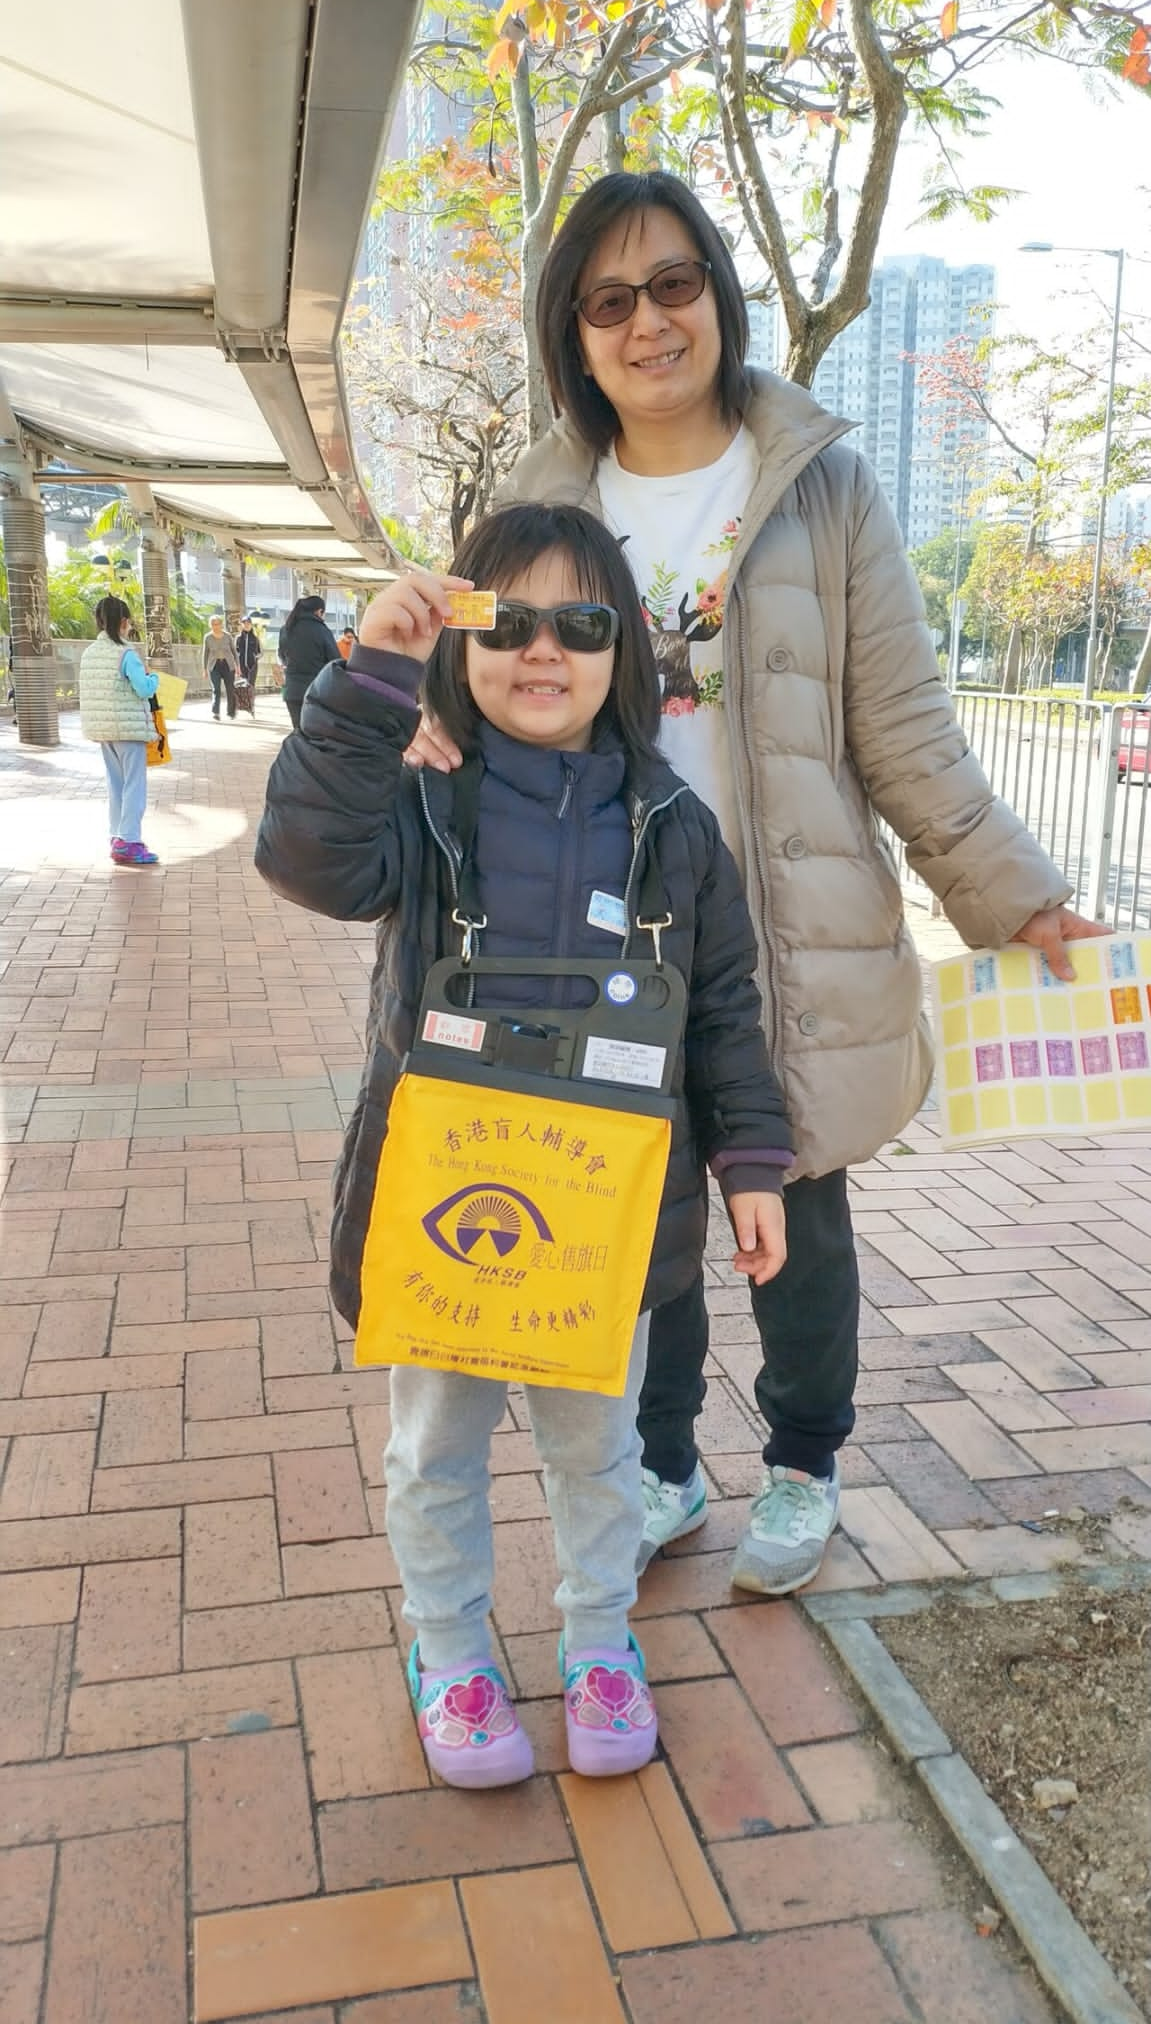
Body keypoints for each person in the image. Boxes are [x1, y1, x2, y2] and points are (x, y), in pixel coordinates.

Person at [380, 168, 1106, 1600]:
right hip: (586, 921)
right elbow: (466, 704)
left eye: (671, 285)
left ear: (714, 292)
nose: (647, 322)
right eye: (607, 300)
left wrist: (1009, 893)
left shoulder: (820, 482)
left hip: (785, 922)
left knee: (798, 1210)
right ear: (570, 333)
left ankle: (801, 1465)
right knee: (623, 1212)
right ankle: (657, 1468)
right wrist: (411, 722)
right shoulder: (538, 495)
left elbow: (898, 725)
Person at [255, 503, 792, 1788]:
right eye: (508, 620)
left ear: (626, 654)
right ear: (461, 641)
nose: (543, 649)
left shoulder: (675, 827)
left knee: (598, 1451)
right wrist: (370, 682)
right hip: (449, 1201)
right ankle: (448, 1650)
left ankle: (601, 1641)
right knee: (434, 1446)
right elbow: (305, 858)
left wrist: (752, 1163)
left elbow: (719, 1010)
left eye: (582, 621)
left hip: (603, 1224)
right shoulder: (423, 796)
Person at [78, 595, 160, 866]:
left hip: (104, 731)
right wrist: (154, 678)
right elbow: (144, 688)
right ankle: (130, 840)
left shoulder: (90, 652)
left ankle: (116, 836)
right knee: (134, 785)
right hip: (128, 729)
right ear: (123, 622)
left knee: (116, 784)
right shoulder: (126, 653)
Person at [278, 593, 341, 729]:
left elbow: (282, 656)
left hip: (292, 691)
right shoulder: (322, 630)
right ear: (319, 611)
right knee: (315, 735)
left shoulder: (285, 629)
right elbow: (335, 661)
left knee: (298, 731)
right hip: (317, 692)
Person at [201, 615, 238, 720]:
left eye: (217, 624)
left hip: (228, 665)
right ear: (210, 625)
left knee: (230, 689)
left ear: (221, 625)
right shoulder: (207, 637)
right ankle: (216, 712)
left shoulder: (228, 636)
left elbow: (234, 652)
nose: (215, 626)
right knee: (216, 689)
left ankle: (231, 712)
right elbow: (205, 654)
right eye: (213, 624)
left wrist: (238, 666)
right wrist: (204, 669)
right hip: (214, 665)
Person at [236, 616, 262, 688]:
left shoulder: (256, 638)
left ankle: (251, 699)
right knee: (242, 686)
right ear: (242, 625)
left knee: (251, 686)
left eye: (248, 623)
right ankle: (243, 699)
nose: (246, 625)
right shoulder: (238, 638)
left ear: (251, 625)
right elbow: (235, 652)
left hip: (252, 666)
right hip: (241, 666)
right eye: (244, 623)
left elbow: (261, 652)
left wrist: (255, 657)